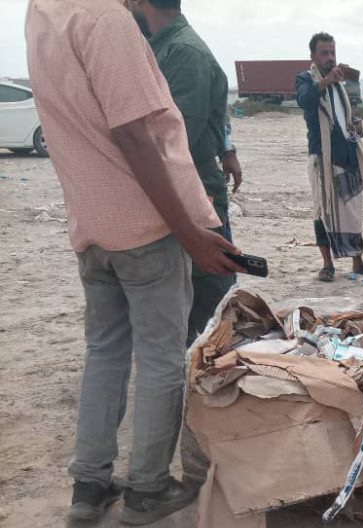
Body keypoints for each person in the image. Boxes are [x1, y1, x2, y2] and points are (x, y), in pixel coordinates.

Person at [26, 0, 243, 526]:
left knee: (104, 352)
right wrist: (189, 231)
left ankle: (89, 484)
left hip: (91, 224)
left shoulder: (42, 13)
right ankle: (148, 488)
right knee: (161, 357)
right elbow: (133, 135)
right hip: (145, 227)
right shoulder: (106, 19)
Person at [130, 0, 243, 345]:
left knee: (212, 305)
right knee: (183, 303)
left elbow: (173, 139)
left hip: (194, 193)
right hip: (178, 190)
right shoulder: (162, 47)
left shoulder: (184, 53)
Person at [296, 32, 363, 282]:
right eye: (324, 53)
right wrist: (325, 81)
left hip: (347, 154)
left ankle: (357, 261)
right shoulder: (306, 79)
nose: (330, 58)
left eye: (332, 52)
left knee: (353, 210)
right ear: (313, 56)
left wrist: (355, 124)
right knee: (323, 211)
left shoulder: (340, 86)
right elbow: (305, 100)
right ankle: (327, 264)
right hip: (322, 158)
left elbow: (343, 118)